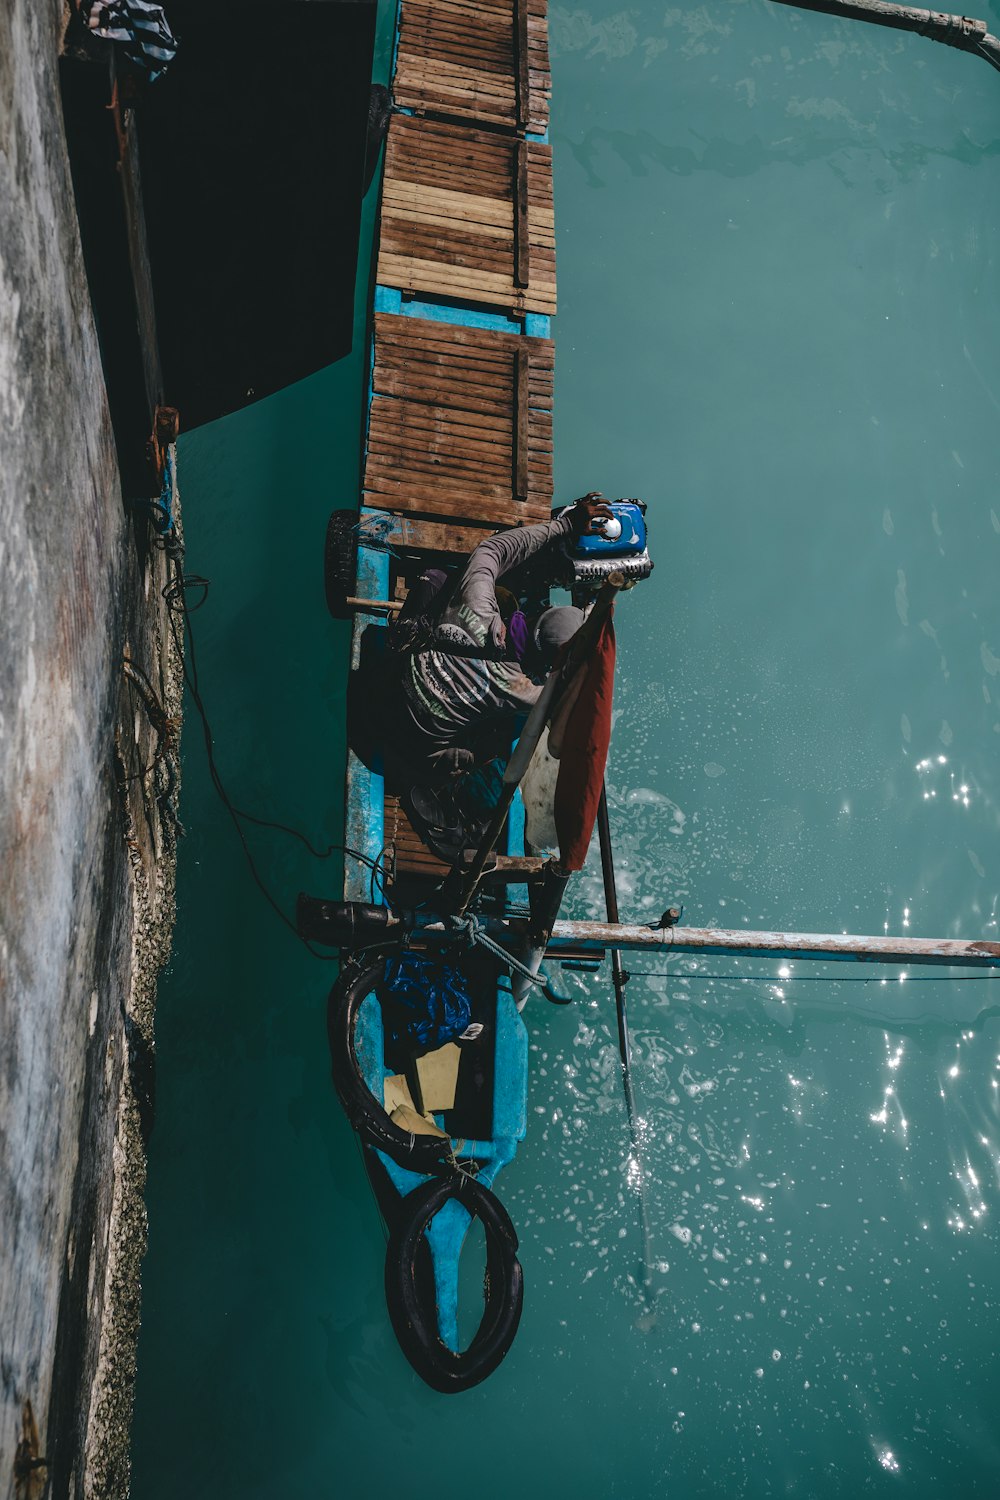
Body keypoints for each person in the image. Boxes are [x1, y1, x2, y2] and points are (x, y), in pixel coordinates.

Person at [349, 494, 612, 857]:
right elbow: (562, 734)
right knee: (510, 738)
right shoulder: (526, 695)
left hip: (377, 691)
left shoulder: (475, 602)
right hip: (406, 749)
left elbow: (494, 550)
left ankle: (397, 645)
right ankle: (441, 805)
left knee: (439, 579)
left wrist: (564, 525)